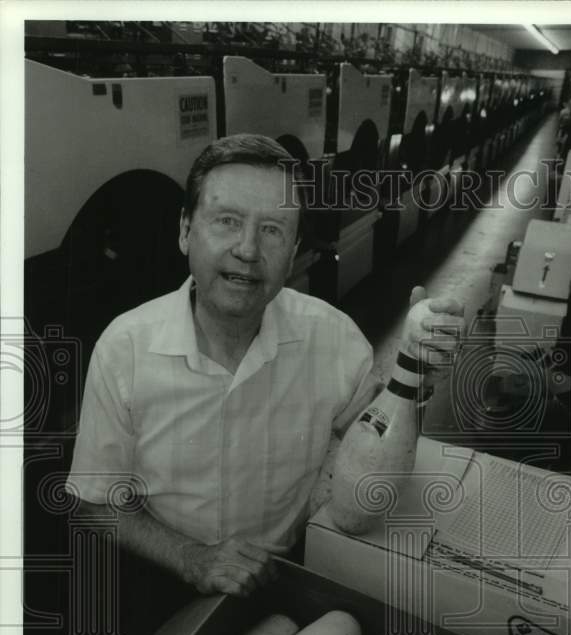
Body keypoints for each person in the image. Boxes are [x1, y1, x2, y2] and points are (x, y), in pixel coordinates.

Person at [67, 133, 464, 599]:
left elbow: (372, 458)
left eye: (273, 229)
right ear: (185, 230)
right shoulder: (124, 348)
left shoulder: (334, 339)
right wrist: (191, 559)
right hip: (164, 572)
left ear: (293, 250)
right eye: (227, 221)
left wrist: (413, 379)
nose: (248, 250)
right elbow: (92, 502)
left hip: (286, 572)